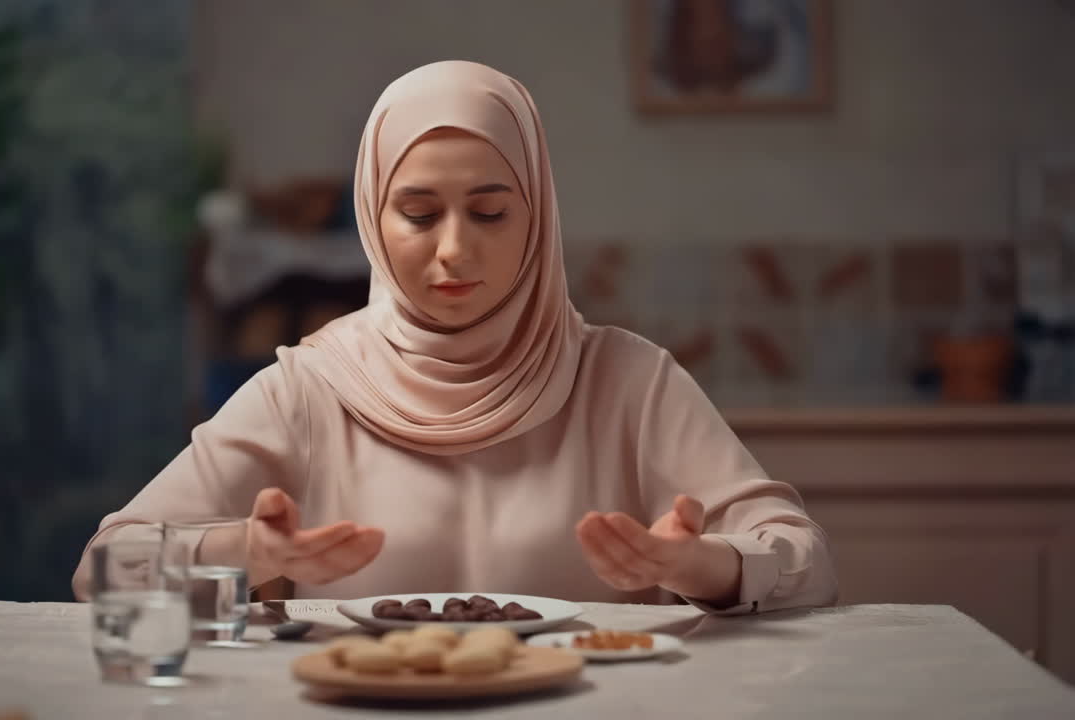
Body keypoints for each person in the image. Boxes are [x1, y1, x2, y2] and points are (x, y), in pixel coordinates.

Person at [72, 60, 837, 614]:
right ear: (373, 217)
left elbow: (809, 561)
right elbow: (104, 568)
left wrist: (704, 566)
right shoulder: (309, 389)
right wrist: (246, 551)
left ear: (537, 216)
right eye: (418, 213)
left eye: (490, 212)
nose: (454, 250)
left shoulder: (628, 381)